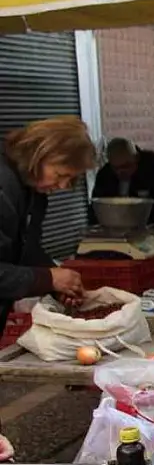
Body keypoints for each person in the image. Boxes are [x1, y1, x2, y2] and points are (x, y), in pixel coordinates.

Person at [1, 117, 94, 334]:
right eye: (60, 175)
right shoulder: (4, 187)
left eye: (70, 180)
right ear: (40, 154)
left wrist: (58, 283)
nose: (62, 186)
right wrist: (47, 278)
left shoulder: (33, 191)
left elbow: (26, 249)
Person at [90, 138, 154, 248]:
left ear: (137, 158)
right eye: (116, 168)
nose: (122, 171)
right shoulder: (105, 176)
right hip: (122, 233)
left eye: (127, 166)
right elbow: (97, 208)